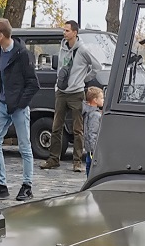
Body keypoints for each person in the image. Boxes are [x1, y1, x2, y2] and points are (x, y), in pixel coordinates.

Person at [0, 17, 39, 201]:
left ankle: (27, 186)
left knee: (25, 147)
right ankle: (1, 185)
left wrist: (21, 104)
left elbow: (33, 83)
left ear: (2, 35)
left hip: (18, 107)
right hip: (2, 104)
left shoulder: (22, 54)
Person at [41, 20, 102, 172]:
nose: (64, 33)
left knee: (77, 129)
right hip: (62, 92)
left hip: (76, 93)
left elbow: (97, 66)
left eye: (67, 30)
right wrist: (58, 85)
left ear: (75, 32)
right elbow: (61, 67)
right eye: (64, 30)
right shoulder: (62, 47)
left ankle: (77, 161)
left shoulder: (83, 50)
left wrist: (84, 79)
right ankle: (53, 159)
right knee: (56, 127)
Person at [82, 85, 103, 176]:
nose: (103, 100)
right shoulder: (95, 115)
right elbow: (93, 133)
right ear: (95, 100)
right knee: (92, 167)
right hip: (93, 149)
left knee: (88, 165)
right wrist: (94, 149)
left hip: (89, 147)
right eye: (101, 98)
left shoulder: (88, 112)